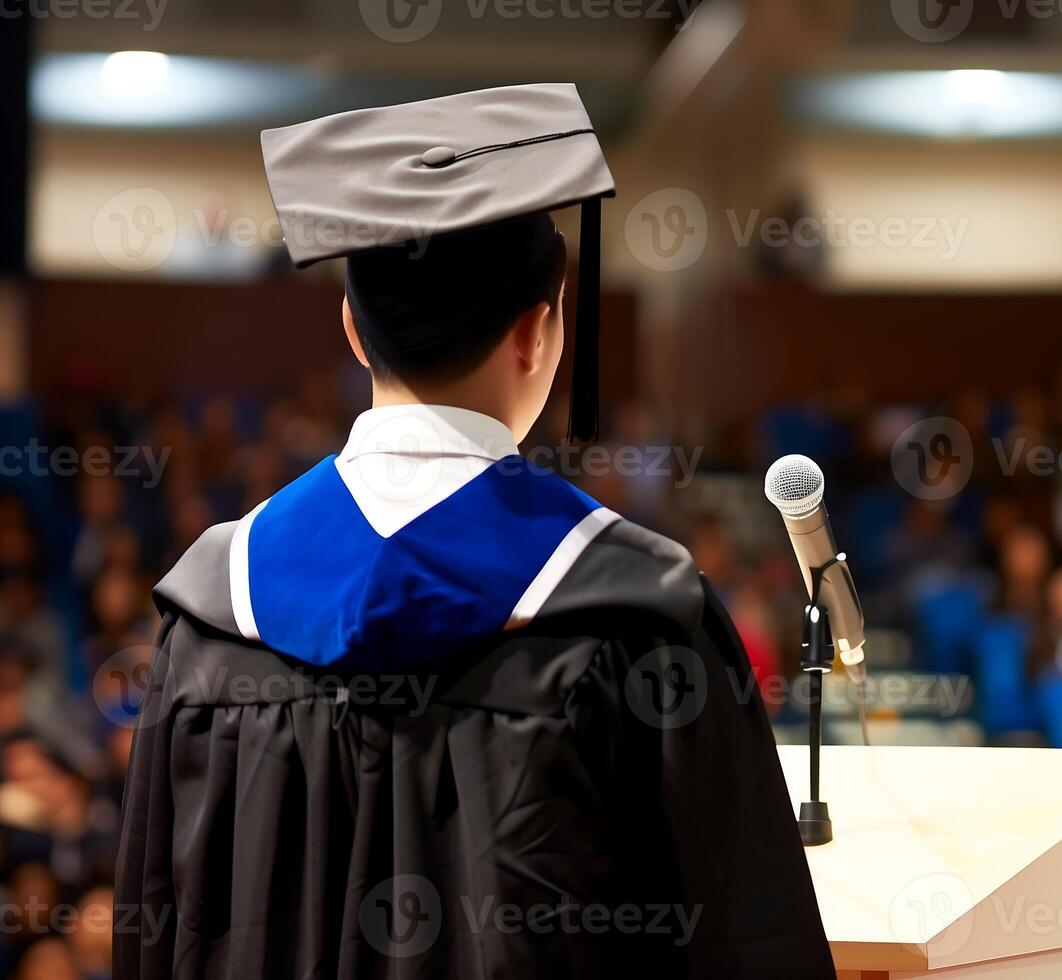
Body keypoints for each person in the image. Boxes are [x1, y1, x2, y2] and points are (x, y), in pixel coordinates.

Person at [114, 85, 833, 979]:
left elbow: (153, 928)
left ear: (351, 329)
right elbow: (746, 944)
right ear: (537, 332)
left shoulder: (214, 609)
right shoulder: (637, 616)